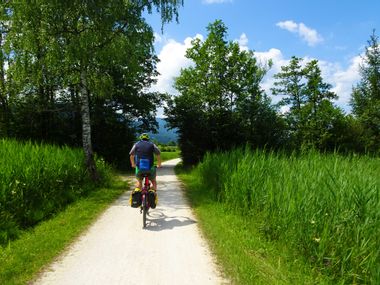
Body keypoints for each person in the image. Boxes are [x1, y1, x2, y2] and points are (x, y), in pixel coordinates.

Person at [129, 133, 161, 207]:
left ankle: (137, 196)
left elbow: (131, 155)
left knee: (139, 182)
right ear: (148, 138)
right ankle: (151, 194)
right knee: (153, 182)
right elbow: (158, 154)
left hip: (139, 168)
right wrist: (159, 164)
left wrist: (133, 164)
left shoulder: (136, 144)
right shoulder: (152, 144)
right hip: (150, 169)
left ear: (141, 138)